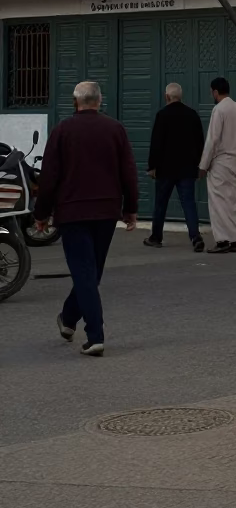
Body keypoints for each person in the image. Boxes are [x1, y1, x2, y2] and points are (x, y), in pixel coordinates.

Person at [34, 81, 138, 356]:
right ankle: (68, 320)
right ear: (99, 101)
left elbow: (49, 177)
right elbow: (128, 171)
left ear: (74, 101)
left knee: (84, 273)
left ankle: (95, 336)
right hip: (106, 212)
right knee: (91, 274)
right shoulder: (115, 129)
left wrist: (41, 214)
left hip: (72, 212)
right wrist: (131, 209)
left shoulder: (62, 131)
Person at [144, 82, 206, 252]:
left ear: (167, 97)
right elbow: (200, 142)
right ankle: (195, 236)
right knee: (189, 203)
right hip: (187, 168)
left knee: (160, 203)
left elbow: (156, 143)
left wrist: (152, 166)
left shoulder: (162, 115)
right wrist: (200, 164)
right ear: (181, 96)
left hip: (166, 169)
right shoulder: (192, 115)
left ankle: (156, 237)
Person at [199, 77, 236, 254]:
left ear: (215, 91)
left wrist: (203, 165)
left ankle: (223, 240)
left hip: (222, 164)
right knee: (235, 201)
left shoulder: (219, 110)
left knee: (219, 203)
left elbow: (212, 139)